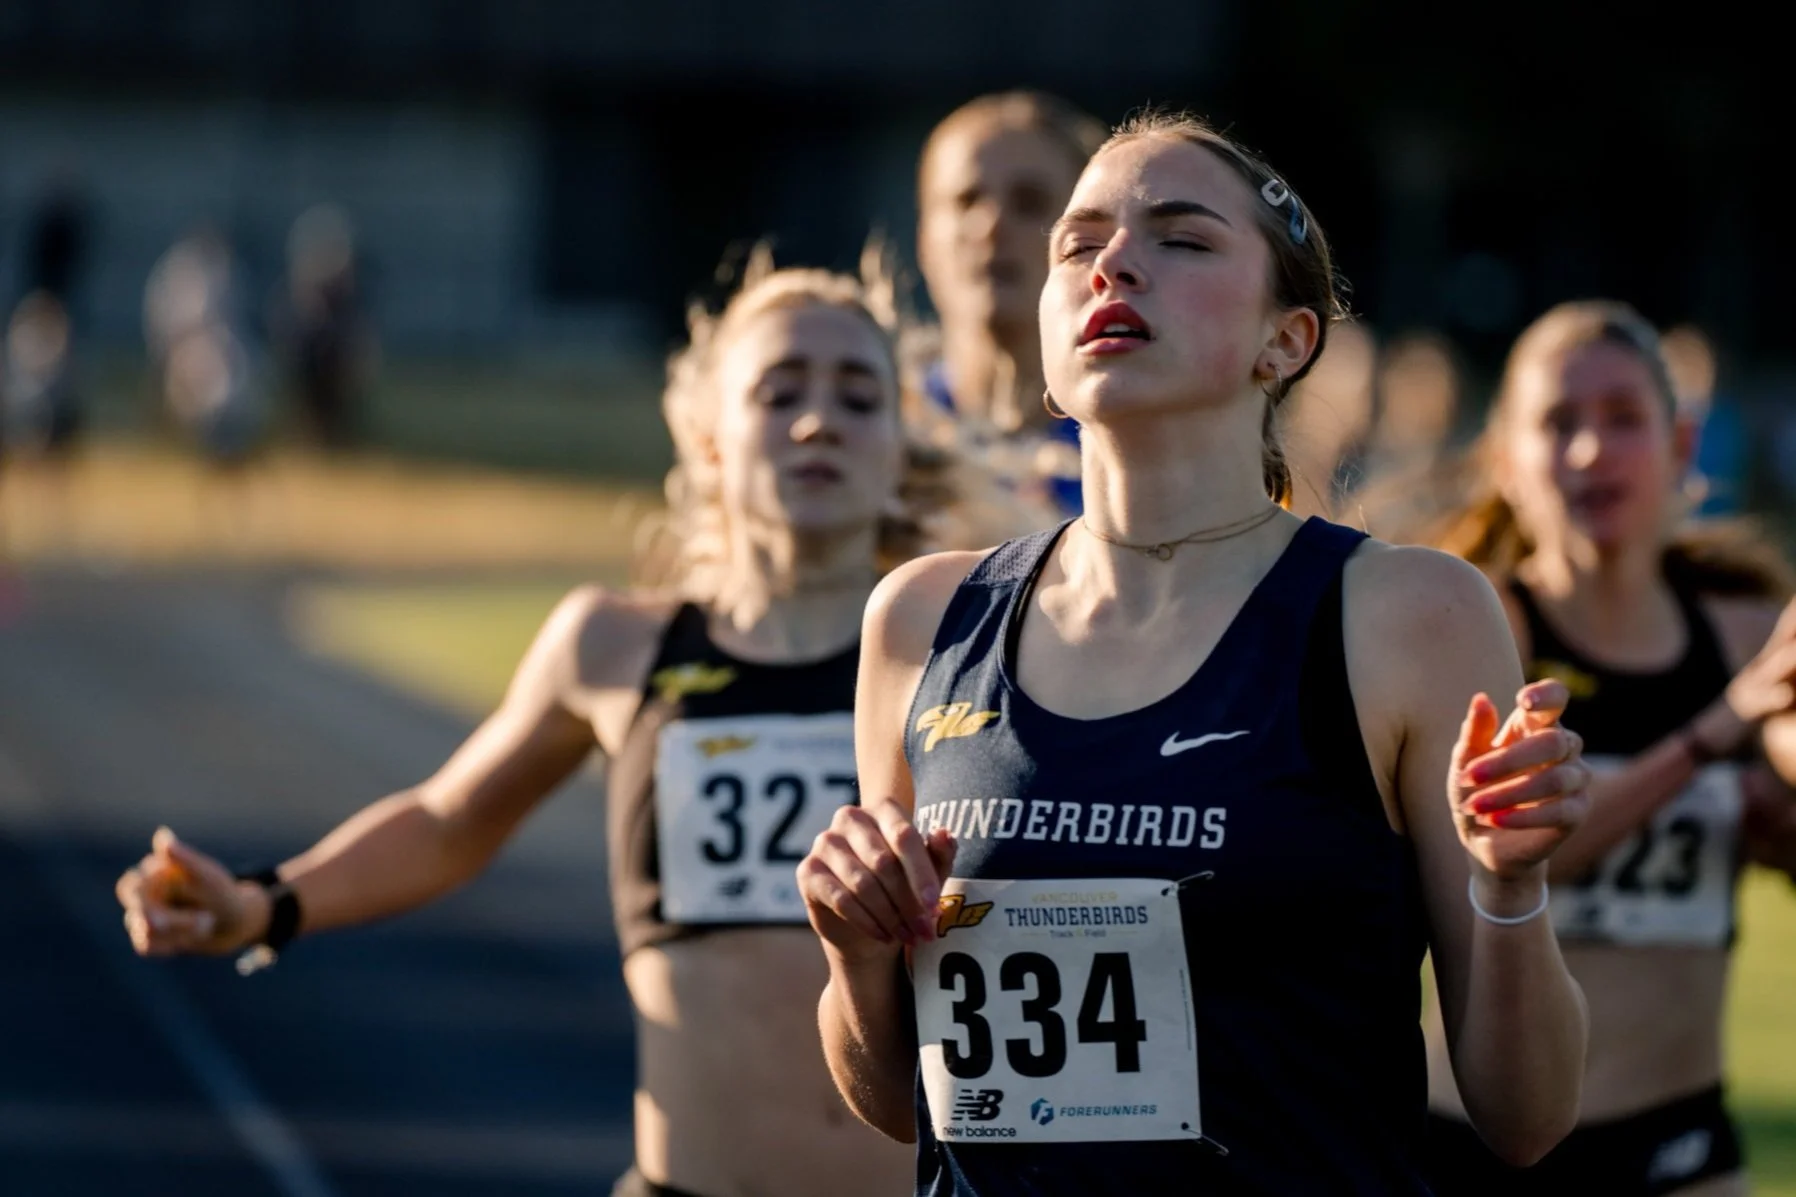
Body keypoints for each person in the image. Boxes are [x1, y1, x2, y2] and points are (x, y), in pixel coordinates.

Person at [799, 110, 1593, 1195]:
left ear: (1287, 341)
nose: (1114, 262)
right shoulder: (922, 618)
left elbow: (1523, 1119)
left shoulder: (1405, 613)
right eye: (1078, 244)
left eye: (1180, 238)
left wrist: (1509, 889)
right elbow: (898, 1104)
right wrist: (853, 953)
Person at [116, 253, 974, 1197]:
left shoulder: (963, 649)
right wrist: (262, 903)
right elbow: (448, 821)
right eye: (778, 392)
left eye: (859, 396)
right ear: (711, 441)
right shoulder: (610, 647)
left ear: (901, 443)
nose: (818, 421)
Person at [1424, 301, 1796, 1197]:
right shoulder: (1470, 629)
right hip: (1468, 1143)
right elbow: (1510, 855)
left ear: (1680, 446)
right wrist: (1708, 738)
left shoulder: (1749, 630)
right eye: (1558, 423)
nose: (1591, 451)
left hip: (1677, 1138)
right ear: (1506, 459)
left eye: (1624, 418)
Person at [908, 90, 1107, 519]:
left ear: (1095, 245)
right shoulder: (879, 439)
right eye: (965, 200)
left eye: (1029, 202)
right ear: (924, 240)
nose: (991, 225)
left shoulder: (1140, 446)